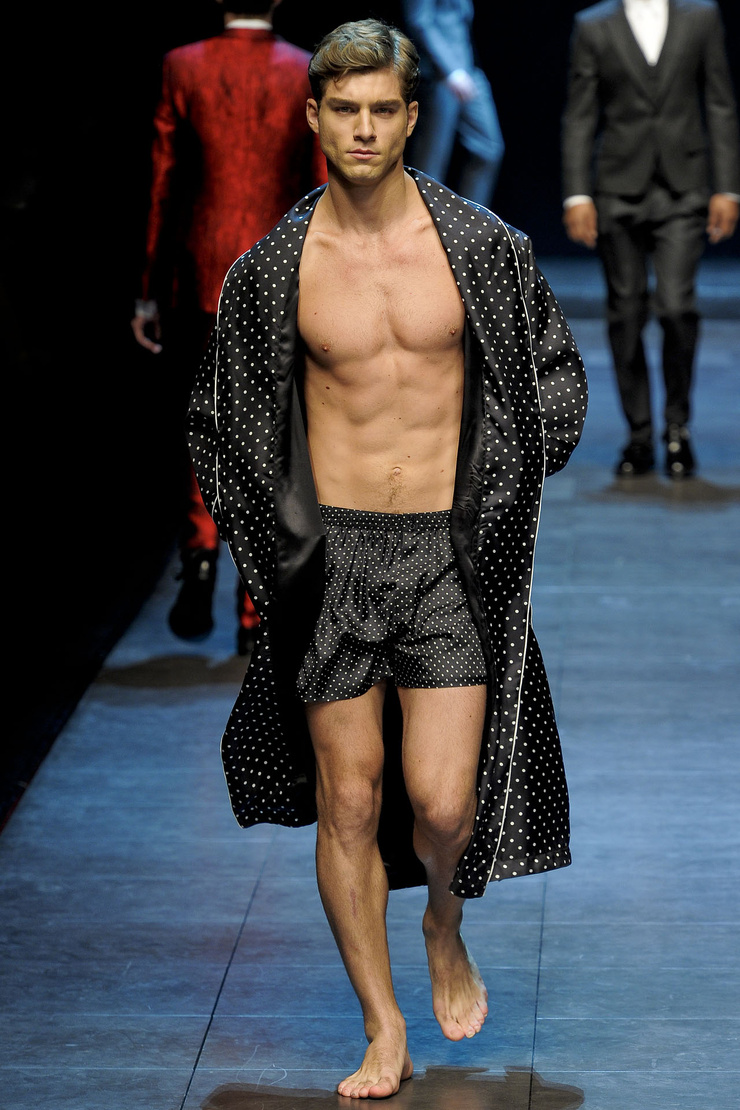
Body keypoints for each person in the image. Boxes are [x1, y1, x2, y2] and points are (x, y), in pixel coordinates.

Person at [188, 18, 587, 1099]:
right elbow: (219, 423)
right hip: (333, 565)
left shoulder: (480, 249)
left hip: (447, 561)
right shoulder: (275, 269)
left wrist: (496, 501)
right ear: (314, 117)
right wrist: (276, 553)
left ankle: (444, 925)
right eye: (343, 110)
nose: (362, 129)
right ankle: (381, 1025)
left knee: (443, 806)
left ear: (412, 118)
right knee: (350, 803)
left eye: (381, 110)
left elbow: (553, 381)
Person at [131, 0, 325, 653]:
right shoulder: (304, 70)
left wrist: (148, 291)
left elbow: (163, 183)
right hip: (279, 275)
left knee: (207, 423)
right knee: (273, 440)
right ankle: (254, 611)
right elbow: (320, 189)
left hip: (202, 272)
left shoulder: (181, 66)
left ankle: (201, 549)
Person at [561, 0, 740, 479]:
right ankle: (638, 434)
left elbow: (719, 101)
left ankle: (677, 426)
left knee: (677, 306)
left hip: (684, 187)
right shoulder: (594, 25)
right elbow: (581, 113)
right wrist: (577, 193)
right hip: (617, 188)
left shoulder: (701, 17)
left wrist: (727, 187)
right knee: (626, 312)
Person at [400, 0, 504, 208]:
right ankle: (423, 220)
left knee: (489, 147)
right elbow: (419, 19)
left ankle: (472, 220)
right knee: (432, 161)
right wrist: (451, 70)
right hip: (441, 73)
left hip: (467, 68)